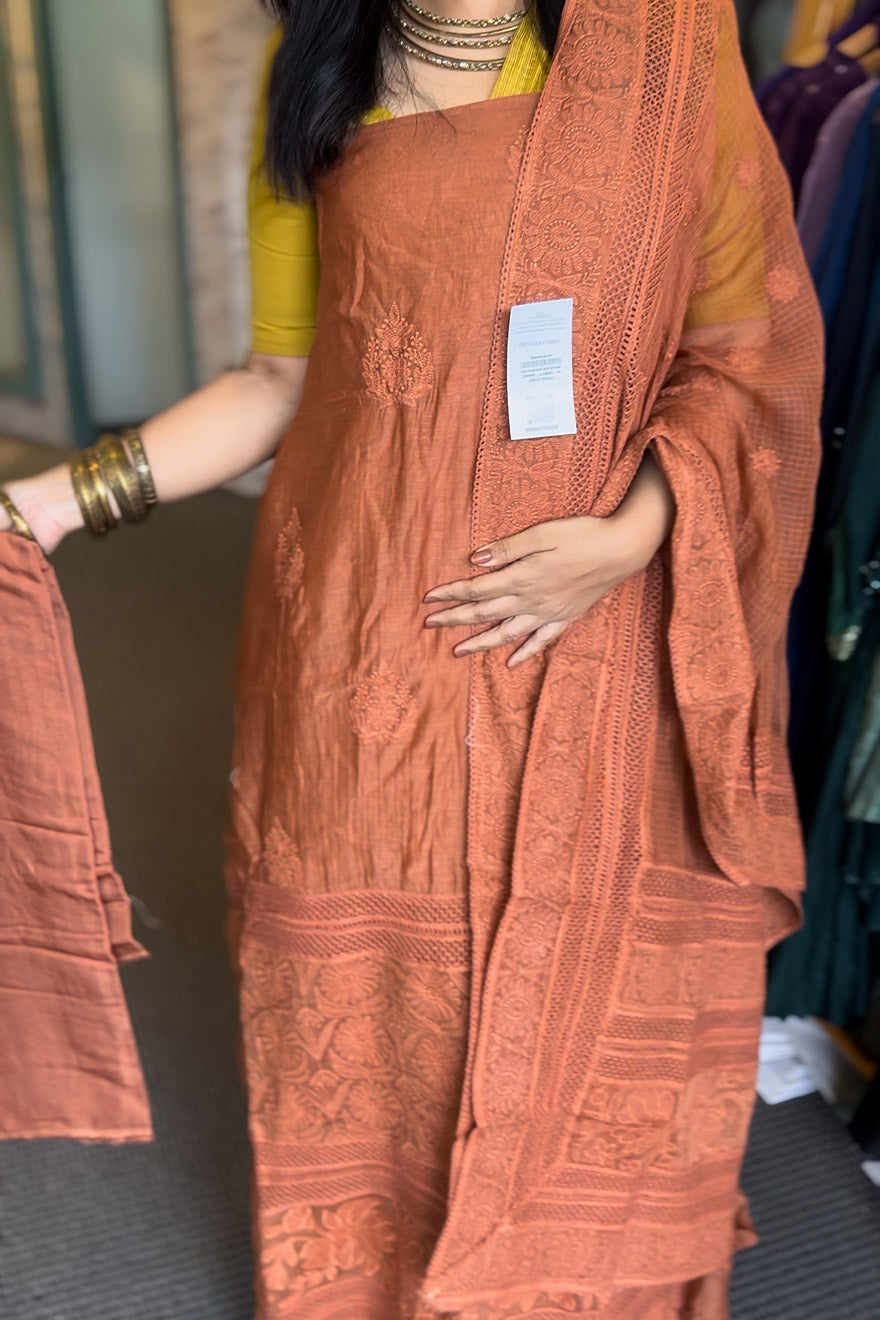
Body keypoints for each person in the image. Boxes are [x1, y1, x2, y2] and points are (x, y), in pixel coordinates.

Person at [0, 1, 823, 1317]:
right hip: (368, 629)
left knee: (588, 982)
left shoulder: (663, 40)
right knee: (378, 998)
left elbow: (744, 345)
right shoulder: (316, 67)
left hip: (599, 638)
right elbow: (275, 382)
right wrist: (49, 500)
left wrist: (627, 538)